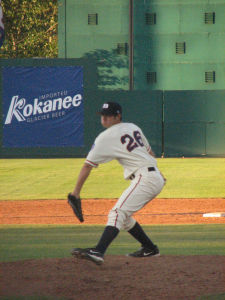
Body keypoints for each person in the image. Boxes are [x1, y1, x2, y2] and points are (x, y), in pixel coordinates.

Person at [70, 102, 166, 265]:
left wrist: (75, 193)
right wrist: (157, 171)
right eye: (102, 115)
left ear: (118, 116)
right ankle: (149, 248)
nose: (104, 118)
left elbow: (87, 165)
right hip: (152, 176)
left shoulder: (105, 137)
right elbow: (149, 152)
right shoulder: (133, 127)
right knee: (124, 217)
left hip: (145, 177)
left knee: (116, 213)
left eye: (108, 115)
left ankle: (98, 251)